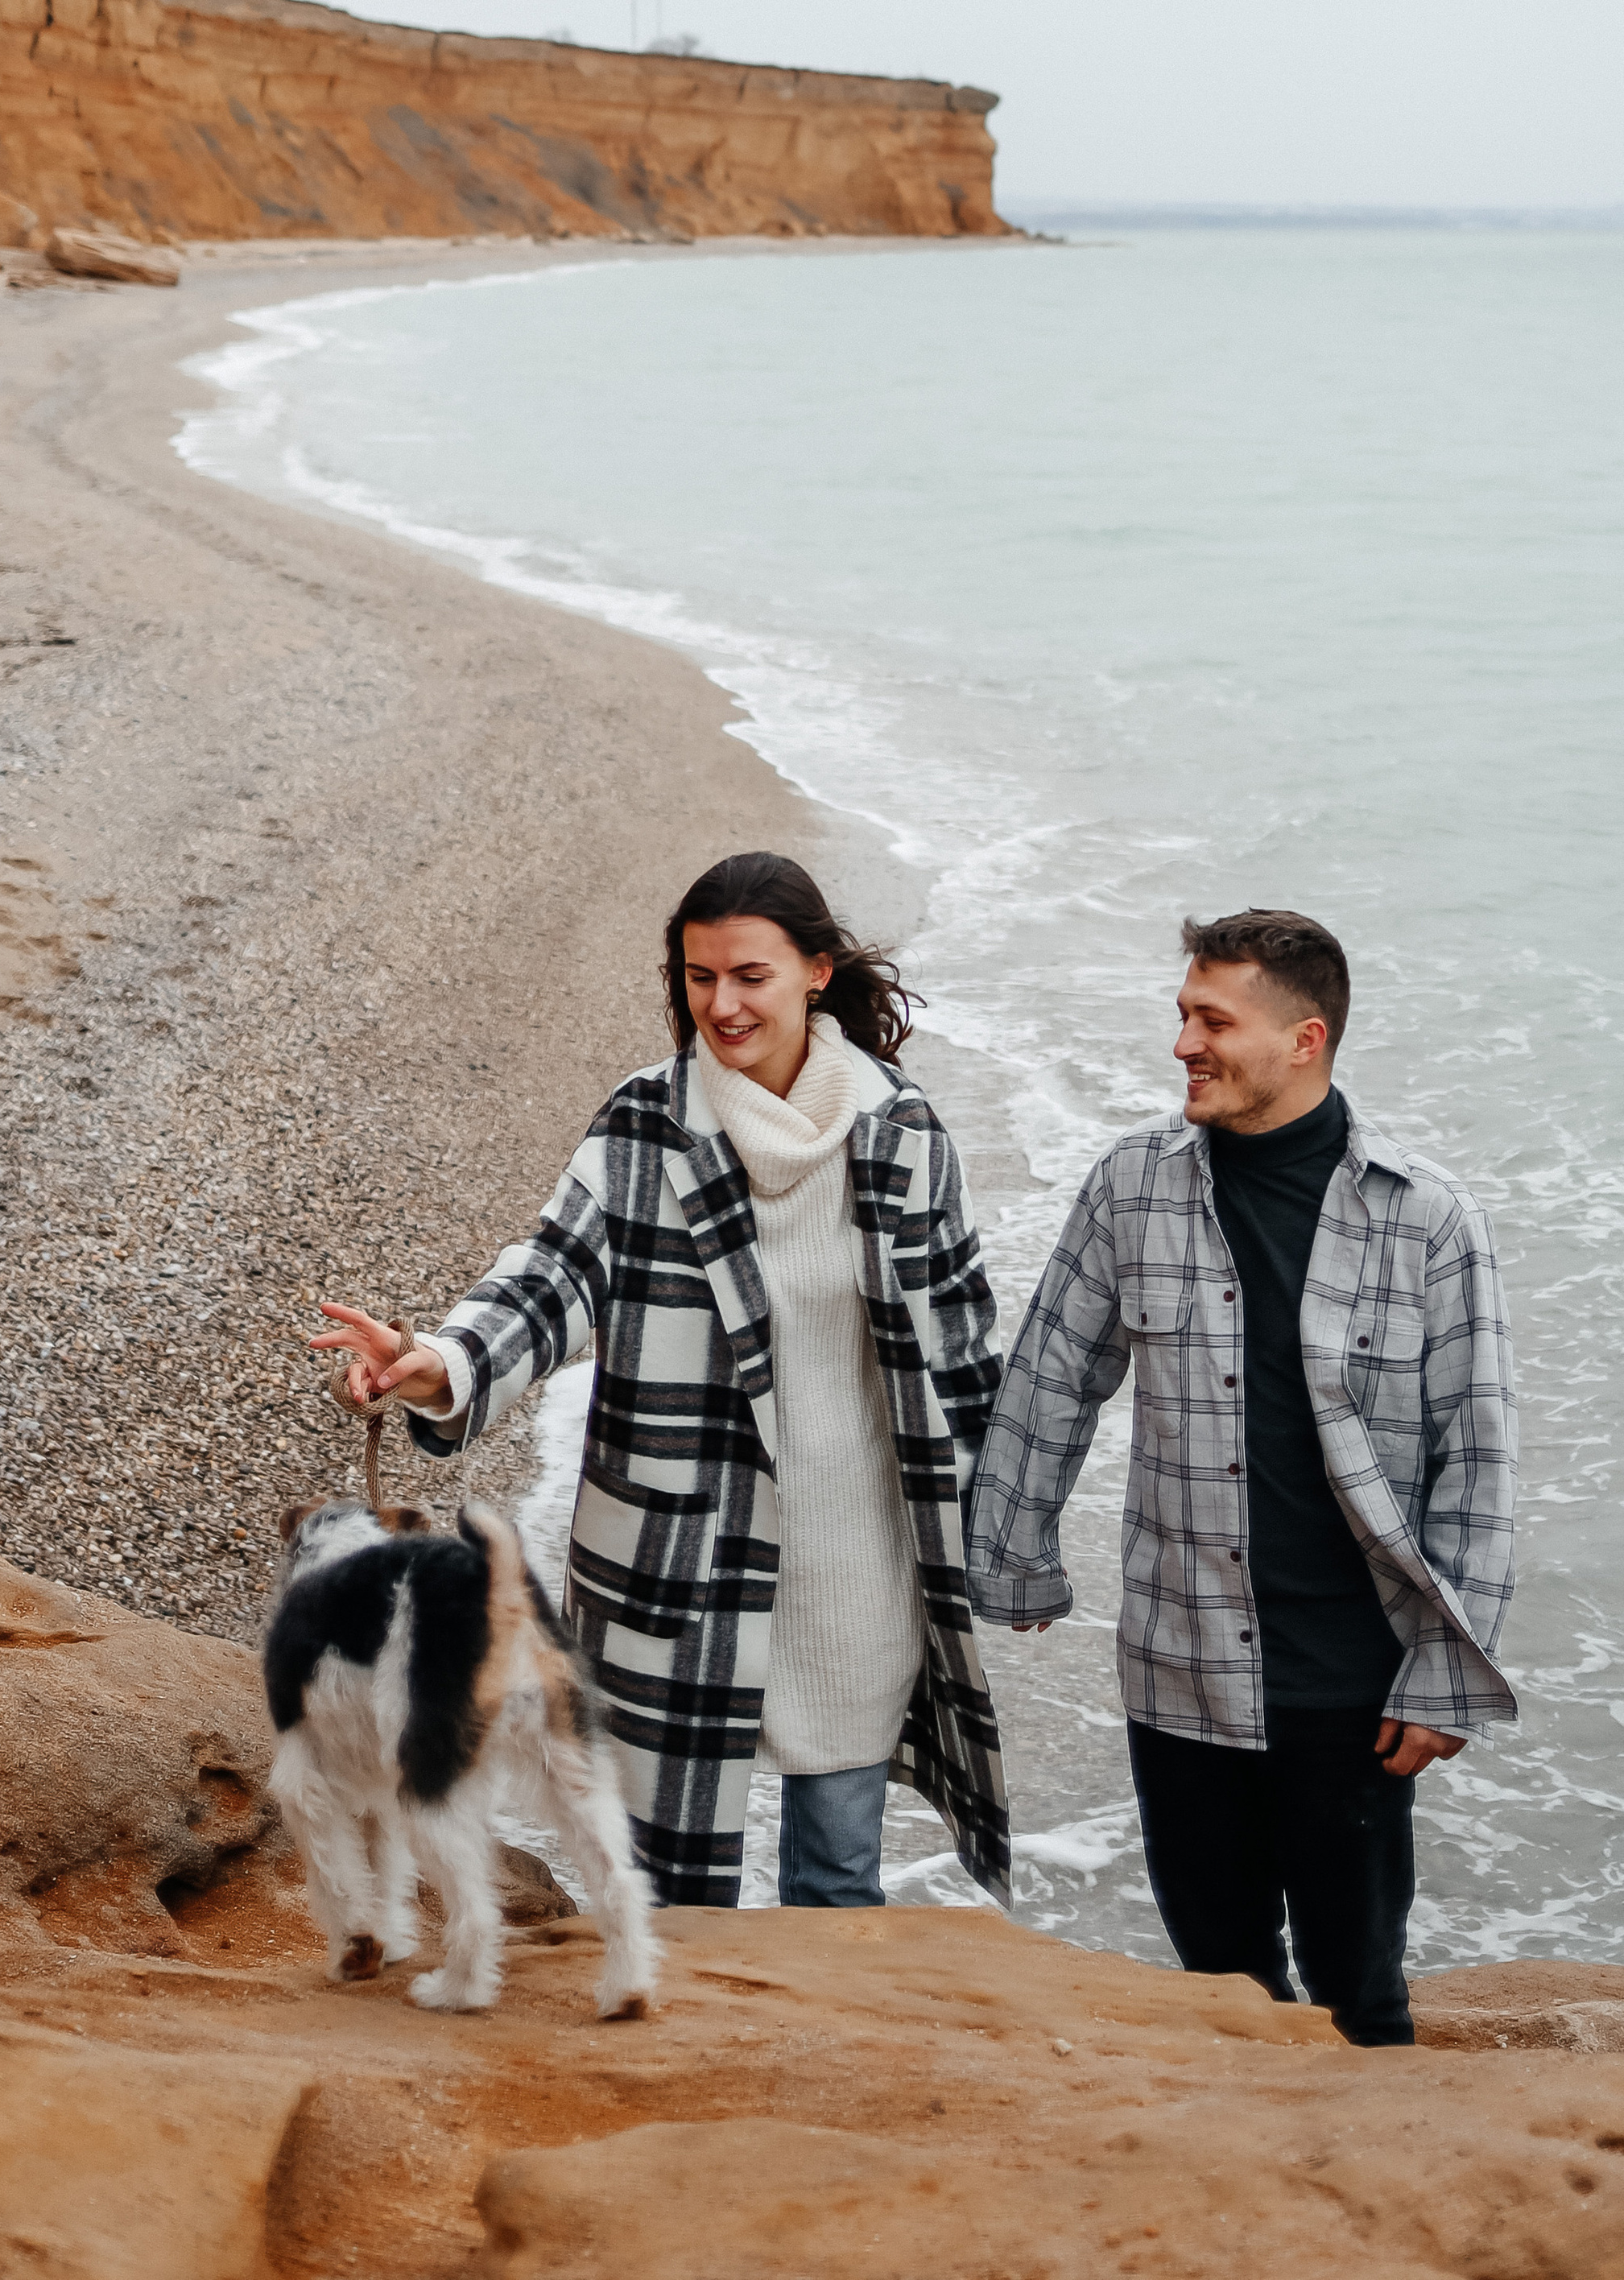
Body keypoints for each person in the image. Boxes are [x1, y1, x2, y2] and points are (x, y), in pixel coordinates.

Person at [314, 850, 1010, 1911]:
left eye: (750, 976)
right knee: (669, 1903)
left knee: (835, 1886)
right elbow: (555, 1276)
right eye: (698, 978)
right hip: (675, 1564)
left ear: (817, 973)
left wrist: (1009, 1539)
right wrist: (440, 1362)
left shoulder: (902, 1135)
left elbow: (962, 1348)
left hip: (852, 1570)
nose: (720, 1005)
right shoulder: (646, 1126)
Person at [966, 908, 1517, 2045]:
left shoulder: (1427, 1220)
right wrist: (1011, 1557)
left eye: (1212, 1020)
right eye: (1183, 1015)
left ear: (1303, 1040)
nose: (1183, 1044)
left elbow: (1479, 1454)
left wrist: (1447, 1676)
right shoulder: (1132, 1185)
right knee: (1217, 1983)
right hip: (1183, 1666)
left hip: (1353, 1688)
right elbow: (1051, 1377)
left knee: (1360, 1989)